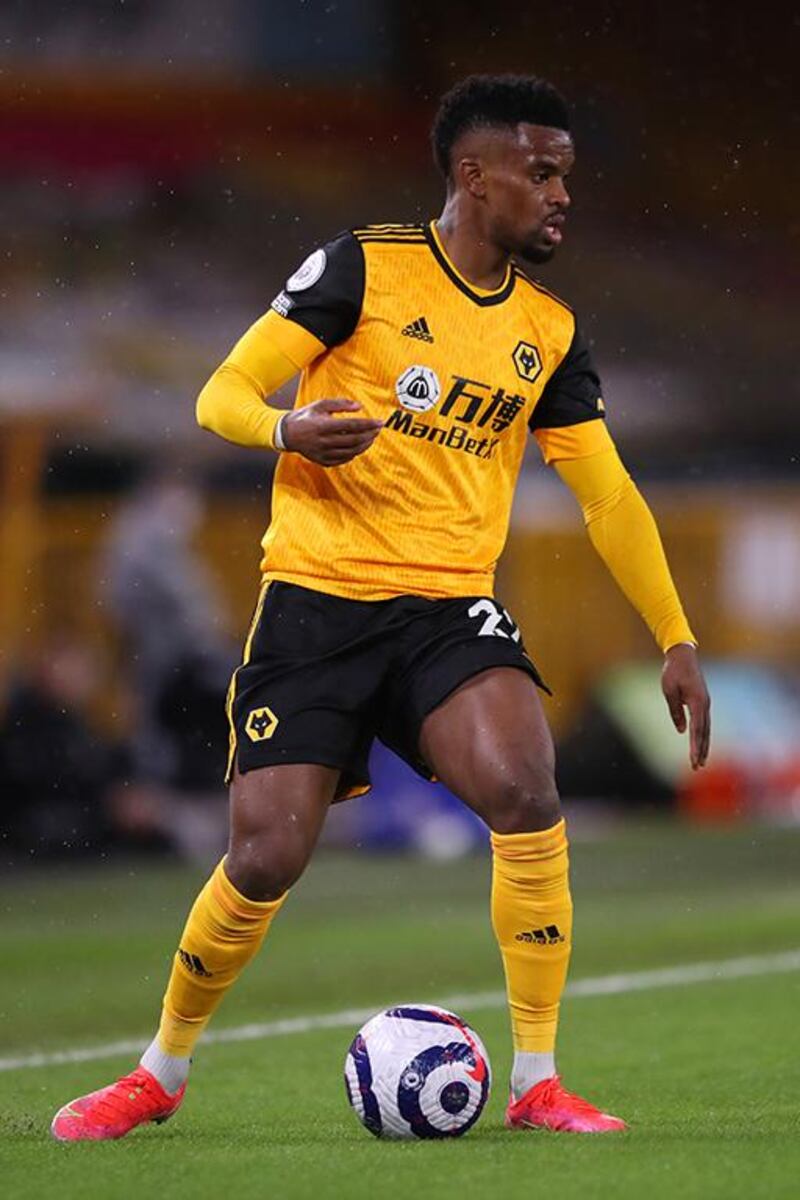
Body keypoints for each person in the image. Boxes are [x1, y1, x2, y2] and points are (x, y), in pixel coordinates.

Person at [52, 74, 710, 1141]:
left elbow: (607, 495)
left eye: (566, 178)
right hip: (313, 602)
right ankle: (158, 1072)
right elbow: (219, 390)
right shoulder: (361, 267)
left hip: (444, 610)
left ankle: (536, 1079)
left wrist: (674, 636)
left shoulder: (545, 329)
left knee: (523, 785)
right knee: (265, 854)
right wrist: (282, 430)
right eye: (540, 174)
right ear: (472, 173)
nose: (559, 197)